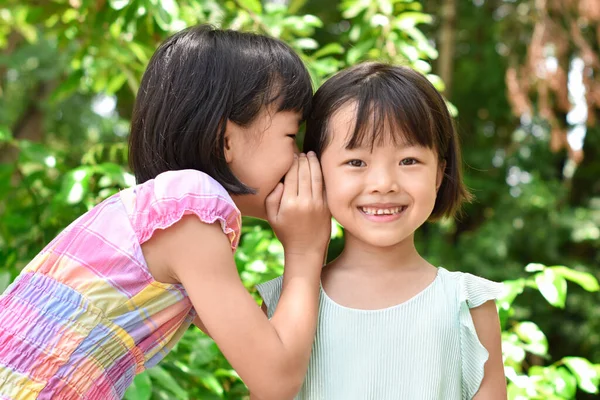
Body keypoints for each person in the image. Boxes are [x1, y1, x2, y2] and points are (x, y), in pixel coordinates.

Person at [0, 25, 330, 400]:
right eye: (292, 135)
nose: (303, 158)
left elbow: (271, 343)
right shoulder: (189, 206)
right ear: (226, 140)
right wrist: (305, 249)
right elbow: (275, 380)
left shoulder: (163, 215)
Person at [257, 62, 507, 399]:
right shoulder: (282, 305)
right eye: (356, 162)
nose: (383, 184)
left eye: (408, 161)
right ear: (314, 170)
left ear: (439, 173)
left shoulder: (467, 305)